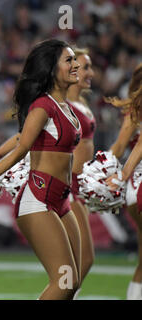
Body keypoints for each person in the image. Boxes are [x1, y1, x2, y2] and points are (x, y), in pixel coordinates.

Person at [0, 39, 82, 300]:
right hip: (38, 200)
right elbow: (23, 146)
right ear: (51, 68)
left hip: (62, 200)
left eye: (75, 59)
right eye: (69, 60)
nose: (76, 64)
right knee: (62, 283)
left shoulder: (65, 107)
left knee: (74, 281)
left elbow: (20, 138)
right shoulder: (42, 105)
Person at [106, 62, 142, 300]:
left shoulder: (134, 108)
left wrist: (102, 170)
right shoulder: (135, 109)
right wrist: (117, 174)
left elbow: (118, 147)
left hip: (134, 187)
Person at [65, 48, 96, 299]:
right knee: (84, 259)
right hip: (68, 185)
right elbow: (24, 136)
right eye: (85, 67)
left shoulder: (82, 103)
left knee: (78, 260)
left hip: (81, 185)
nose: (90, 73)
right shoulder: (61, 104)